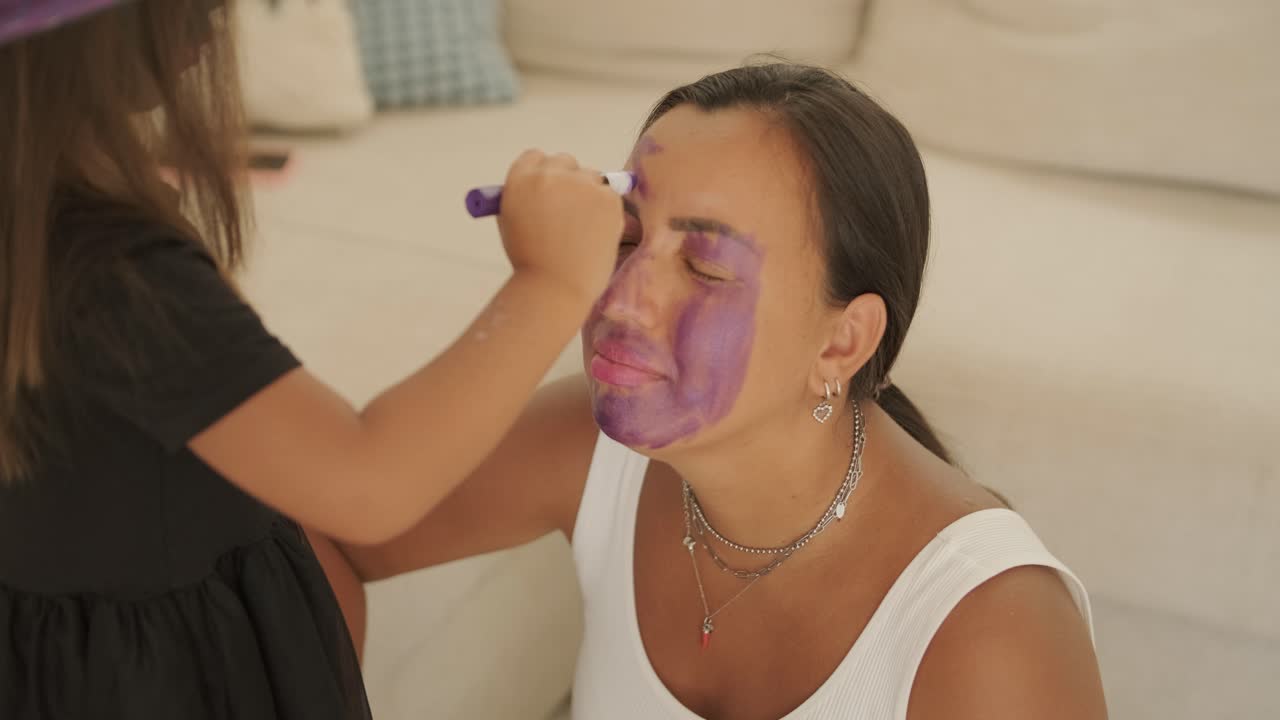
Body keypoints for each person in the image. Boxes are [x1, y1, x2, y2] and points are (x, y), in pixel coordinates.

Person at [324, 64, 1109, 720]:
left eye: (703, 268)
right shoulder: (591, 450)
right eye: (624, 238)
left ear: (842, 342)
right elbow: (314, 534)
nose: (620, 299)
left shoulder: (992, 633)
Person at [0, 1, 623, 717]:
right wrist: (550, 282)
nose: (220, 14)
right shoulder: (115, 274)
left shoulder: (41, 224)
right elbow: (368, 486)